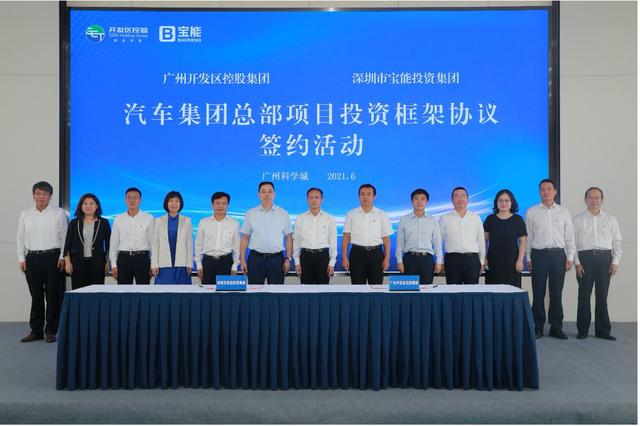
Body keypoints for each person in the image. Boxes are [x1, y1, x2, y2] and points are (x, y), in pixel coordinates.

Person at [16, 181, 69, 343]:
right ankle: (36, 330)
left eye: (44, 194)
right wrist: (21, 258)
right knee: (36, 296)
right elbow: (20, 237)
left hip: (53, 258)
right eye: (38, 193)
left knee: (53, 295)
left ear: (50, 196)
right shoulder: (25, 214)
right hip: (32, 258)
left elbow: (65, 236)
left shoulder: (59, 213)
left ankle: (51, 331)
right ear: (33, 195)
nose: (41, 197)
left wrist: (62, 257)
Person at [525, 178, 576, 339]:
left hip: (558, 255)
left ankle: (556, 327)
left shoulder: (564, 211)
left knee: (556, 292)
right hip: (538, 255)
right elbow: (529, 237)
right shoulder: (532, 212)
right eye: (542, 189)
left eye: (549, 189)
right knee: (538, 292)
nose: (545, 192)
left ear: (555, 191)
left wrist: (570, 257)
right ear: (539, 192)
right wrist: (528, 257)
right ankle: (538, 326)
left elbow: (569, 236)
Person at [573, 187, 622, 340]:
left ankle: (603, 331)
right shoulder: (577, 220)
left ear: (602, 200)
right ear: (585, 199)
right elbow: (572, 244)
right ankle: (582, 331)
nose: (593, 200)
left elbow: (617, 242)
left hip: (604, 260)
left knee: (602, 296)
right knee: (583, 296)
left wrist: (615, 262)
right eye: (590, 197)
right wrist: (577, 263)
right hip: (584, 259)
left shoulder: (611, 219)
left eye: (597, 197)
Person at [240, 182, 292, 284]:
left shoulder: (283, 213)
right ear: (259, 194)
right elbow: (245, 238)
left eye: (270, 191)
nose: (266, 194)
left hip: (276, 259)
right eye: (263, 192)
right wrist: (242, 260)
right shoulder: (250, 213)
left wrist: (288, 258)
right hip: (256, 259)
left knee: (276, 291)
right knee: (254, 290)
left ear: (274, 194)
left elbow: (288, 237)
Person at [342, 183, 393, 284]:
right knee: (357, 287)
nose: (365, 197)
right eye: (362, 194)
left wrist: (387, 258)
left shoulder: (382, 214)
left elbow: (386, 238)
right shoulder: (351, 214)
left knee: (376, 287)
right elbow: (346, 237)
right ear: (359, 196)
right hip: (357, 254)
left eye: (369, 194)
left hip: (376, 255)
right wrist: (344, 257)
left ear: (374, 196)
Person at [63, 193, 111, 290]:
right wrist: (68, 262)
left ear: (96, 206)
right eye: (85, 203)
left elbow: (109, 244)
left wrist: (108, 262)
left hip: (97, 263)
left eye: (91, 203)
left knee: (96, 293)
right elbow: (67, 244)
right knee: (79, 292)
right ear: (81, 206)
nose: (88, 206)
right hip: (78, 263)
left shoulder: (103, 222)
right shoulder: (74, 223)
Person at [439, 187, 485, 284]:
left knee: (472, 291)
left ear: (468, 199)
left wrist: (481, 261)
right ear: (452, 200)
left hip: (472, 260)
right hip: (452, 260)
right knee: (453, 290)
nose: (460, 199)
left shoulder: (476, 217)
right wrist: (441, 261)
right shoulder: (444, 218)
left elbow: (481, 241)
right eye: (456, 196)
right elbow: (439, 242)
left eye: (463, 196)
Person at [396, 188, 443, 284]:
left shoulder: (432, 220)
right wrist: (399, 261)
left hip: (427, 260)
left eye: (422, 199)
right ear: (412, 201)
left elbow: (437, 242)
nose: (419, 201)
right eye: (416, 198)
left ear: (427, 201)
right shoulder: (404, 220)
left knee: (426, 289)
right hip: (410, 259)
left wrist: (439, 261)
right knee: (409, 289)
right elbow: (399, 243)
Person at [109, 187, 154, 284]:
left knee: (143, 290)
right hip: (123, 259)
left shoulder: (149, 218)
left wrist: (153, 264)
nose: (132, 200)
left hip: (142, 259)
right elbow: (114, 244)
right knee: (123, 290)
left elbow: (152, 243)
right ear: (125, 200)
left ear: (140, 200)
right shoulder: (118, 219)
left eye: (135, 197)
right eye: (129, 197)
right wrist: (113, 264)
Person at [483, 189, 527, 287]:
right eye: (500, 200)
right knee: (493, 291)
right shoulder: (490, 219)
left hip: (512, 262)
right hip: (493, 261)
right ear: (496, 202)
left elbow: (523, 241)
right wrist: (484, 258)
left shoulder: (518, 219)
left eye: (507, 200)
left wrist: (520, 260)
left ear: (512, 202)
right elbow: (484, 240)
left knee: (512, 291)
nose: (503, 203)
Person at [293, 187, 337, 284]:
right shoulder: (300, 218)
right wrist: (297, 262)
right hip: (305, 257)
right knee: (306, 289)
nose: (314, 200)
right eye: (311, 197)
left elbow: (333, 241)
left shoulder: (329, 218)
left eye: (316, 197)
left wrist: (332, 263)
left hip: (323, 257)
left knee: (322, 289)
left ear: (322, 199)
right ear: (307, 200)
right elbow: (296, 241)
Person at [195, 192, 240, 284]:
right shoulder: (203, 222)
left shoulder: (234, 223)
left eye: (224, 203)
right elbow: (198, 244)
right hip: (208, 262)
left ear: (227, 205)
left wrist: (235, 264)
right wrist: (199, 264)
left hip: (226, 262)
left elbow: (236, 246)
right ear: (212, 205)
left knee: (224, 291)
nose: (220, 206)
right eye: (217, 203)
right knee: (207, 290)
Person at [151, 191, 193, 285]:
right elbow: (155, 244)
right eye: (171, 201)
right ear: (166, 203)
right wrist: (154, 264)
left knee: (182, 291)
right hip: (163, 263)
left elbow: (189, 244)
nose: (174, 204)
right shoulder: (158, 221)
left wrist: (189, 263)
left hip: (182, 264)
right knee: (163, 291)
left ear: (180, 203)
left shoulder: (187, 221)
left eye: (176, 201)